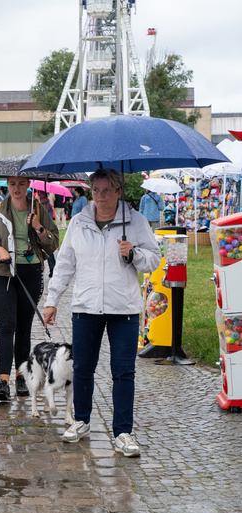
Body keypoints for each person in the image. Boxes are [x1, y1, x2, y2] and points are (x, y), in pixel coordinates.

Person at [43, 168, 161, 457]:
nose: (101, 196)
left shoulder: (135, 221)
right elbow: (66, 263)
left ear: (119, 191)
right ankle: (81, 420)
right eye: (96, 190)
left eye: (107, 190)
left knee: (123, 371)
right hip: (86, 306)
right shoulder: (80, 222)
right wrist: (52, 299)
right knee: (82, 368)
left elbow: (154, 259)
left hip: (125, 308)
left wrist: (133, 253)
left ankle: (123, 432)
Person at [0, 176, 59, 402]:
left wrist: (39, 228)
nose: (16, 188)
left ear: (28, 185)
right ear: (7, 185)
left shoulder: (38, 210)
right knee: (6, 326)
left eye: (21, 184)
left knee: (24, 327)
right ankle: (3, 381)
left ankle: (20, 376)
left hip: (30, 273)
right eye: (12, 184)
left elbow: (53, 243)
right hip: (4, 274)